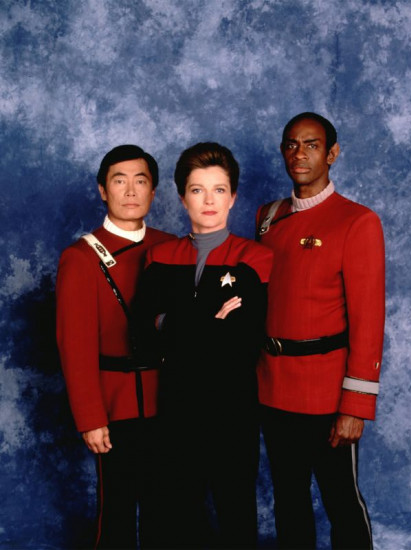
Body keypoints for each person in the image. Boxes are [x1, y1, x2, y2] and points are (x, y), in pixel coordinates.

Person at [132, 142, 273, 549]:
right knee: (176, 514)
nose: (208, 201)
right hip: (175, 406)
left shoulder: (255, 258)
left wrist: (169, 322)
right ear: (182, 197)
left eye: (218, 190)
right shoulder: (160, 256)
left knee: (235, 511)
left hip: (233, 408)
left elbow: (242, 341)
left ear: (233, 197)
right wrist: (208, 319)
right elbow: (140, 332)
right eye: (197, 190)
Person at [256, 113, 385, 549]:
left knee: (340, 499)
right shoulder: (268, 216)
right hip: (273, 386)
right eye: (291, 144)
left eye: (311, 145)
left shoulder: (357, 221)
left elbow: (368, 321)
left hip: (326, 392)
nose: (300, 154)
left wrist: (355, 405)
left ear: (331, 154)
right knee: (289, 500)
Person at [56, 145, 175, 549]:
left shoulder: (171, 247)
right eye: (119, 181)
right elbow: (75, 346)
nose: (130, 191)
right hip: (115, 403)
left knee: (167, 510)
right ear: (103, 190)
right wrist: (91, 417)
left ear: (153, 191)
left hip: (169, 398)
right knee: (118, 514)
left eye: (140, 181)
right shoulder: (80, 257)